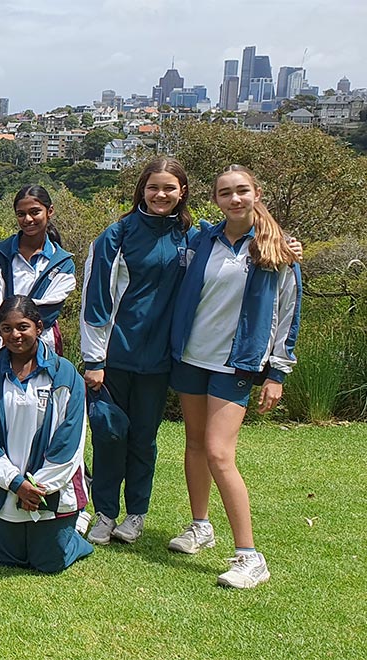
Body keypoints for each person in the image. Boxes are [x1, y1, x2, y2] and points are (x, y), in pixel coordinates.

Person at [166, 165, 301, 588]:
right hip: (192, 355)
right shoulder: (203, 239)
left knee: (219, 453)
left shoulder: (277, 250)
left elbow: (287, 317)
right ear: (216, 199)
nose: (235, 199)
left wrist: (277, 371)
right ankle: (200, 526)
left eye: (242, 191)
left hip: (236, 362)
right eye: (226, 193)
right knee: (193, 444)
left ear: (257, 193)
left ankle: (249, 555)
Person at [0, 296, 93, 573]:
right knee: (7, 558)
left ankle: (76, 530)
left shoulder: (64, 374)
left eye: (23, 327)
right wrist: (16, 484)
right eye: (6, 328)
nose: (15, 335)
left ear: (39, 327)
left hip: (50, 489)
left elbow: (70, 440)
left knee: (48, 563)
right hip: (7, 489)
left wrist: (37, 489)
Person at [0, 186, 76, 361]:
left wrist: (7, 315)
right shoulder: (0, 253)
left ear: (49, 211)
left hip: (43, 351)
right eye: (21, 214)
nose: (28, 219)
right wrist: (22, 320)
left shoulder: (63, 263)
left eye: (35, 212)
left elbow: (48, 312)